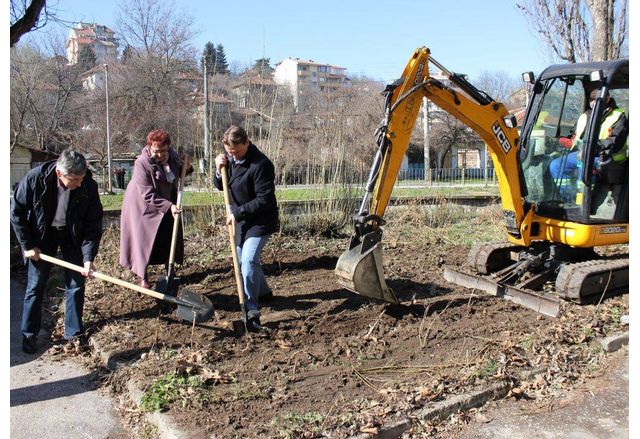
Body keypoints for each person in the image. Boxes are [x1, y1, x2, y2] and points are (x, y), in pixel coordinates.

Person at [10, 148, 103, 354]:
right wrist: (27, 245)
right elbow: (16, 213)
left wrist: (88, 258)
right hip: (41, 236)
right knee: (36, 285)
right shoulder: (36, 180)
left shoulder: (88, 185)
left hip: (72, 234)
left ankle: (74, 333)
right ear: (60, 173)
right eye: (75, 179)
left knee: (76, 283)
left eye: (82, 177)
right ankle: (29, 334)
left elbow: (92, 224)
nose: (79, 183)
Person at [214, 125, 279, 332]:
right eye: (229, 152)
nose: (233, 156)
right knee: (243, 260)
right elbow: (221, 185)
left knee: (248, 260)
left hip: (260, 221)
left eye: (237, 151)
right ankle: (264, 292)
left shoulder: (261, 164)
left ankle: (251, 309)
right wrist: (218, 170)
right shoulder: (230, 160)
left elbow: (264, 199)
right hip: (241, 221)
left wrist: (237, 213)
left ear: (246, 142)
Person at [119, 129, 189, 289]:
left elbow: (179, 171)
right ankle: (142, 276)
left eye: (163, 151)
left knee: (168, 232)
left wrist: (187, 165)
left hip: (167, 200)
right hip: (142, 206)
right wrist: (168, 205)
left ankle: (169, 270)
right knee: (142, 239)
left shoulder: (172, 155)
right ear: (150, 147)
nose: (160, 154)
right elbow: (147, 194)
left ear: (168, 147)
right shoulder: (141, 163)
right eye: (156, 151)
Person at [549, 88, 628, 204]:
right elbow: (574, 137)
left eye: (597, 100)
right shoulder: (586, 116)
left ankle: (584, 203)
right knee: (556, 165)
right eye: (592, 100)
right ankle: (569, 199)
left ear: (608, 99)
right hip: (584, 153)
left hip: (607, 156)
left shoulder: (618, 116)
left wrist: (591, 147)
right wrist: (557, 141)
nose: (593, 102)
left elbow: (615, 141)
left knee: (584, 169)